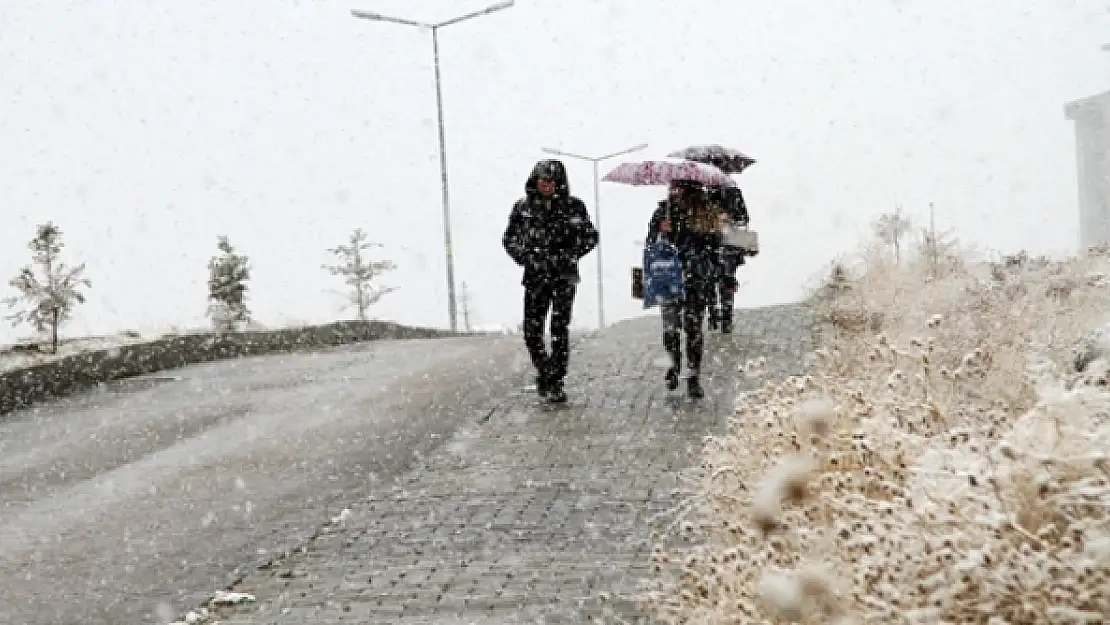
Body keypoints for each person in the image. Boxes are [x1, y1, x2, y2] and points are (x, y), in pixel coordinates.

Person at [502, 159, 599, 403]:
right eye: (543, 181)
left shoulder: (573, 207)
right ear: (535, 181)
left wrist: (570, 253)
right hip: (535, 277)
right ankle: (546, 372)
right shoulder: (523, 208)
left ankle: (556, 380)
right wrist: (525, 256)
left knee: (558, 329)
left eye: (551, 181)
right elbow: (509, 238)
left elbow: (590, 236)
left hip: (564, 276)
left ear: (559, 183)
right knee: (532, 331)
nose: (546, 185)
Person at [645, 181, 722, 398]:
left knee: (694, 329)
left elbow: (714, 246)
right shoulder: (663, 211)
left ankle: (693, 376)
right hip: (669, 278)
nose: (674, 191)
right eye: (672, 187)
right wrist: (662, 233)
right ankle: (673, 366)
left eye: (679, 188)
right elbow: (650, 243)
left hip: (696, 279)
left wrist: (709, 270)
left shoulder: (705, 212)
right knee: (670, 329)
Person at [708, 185, 752, 334]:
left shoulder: (733, 192)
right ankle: (714, 315)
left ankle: (726, 318)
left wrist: (729, 217)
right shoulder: (700, 193)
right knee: (709, 281)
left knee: (726, 281)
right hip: (708, 245)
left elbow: (744, 218)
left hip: (728, 245)